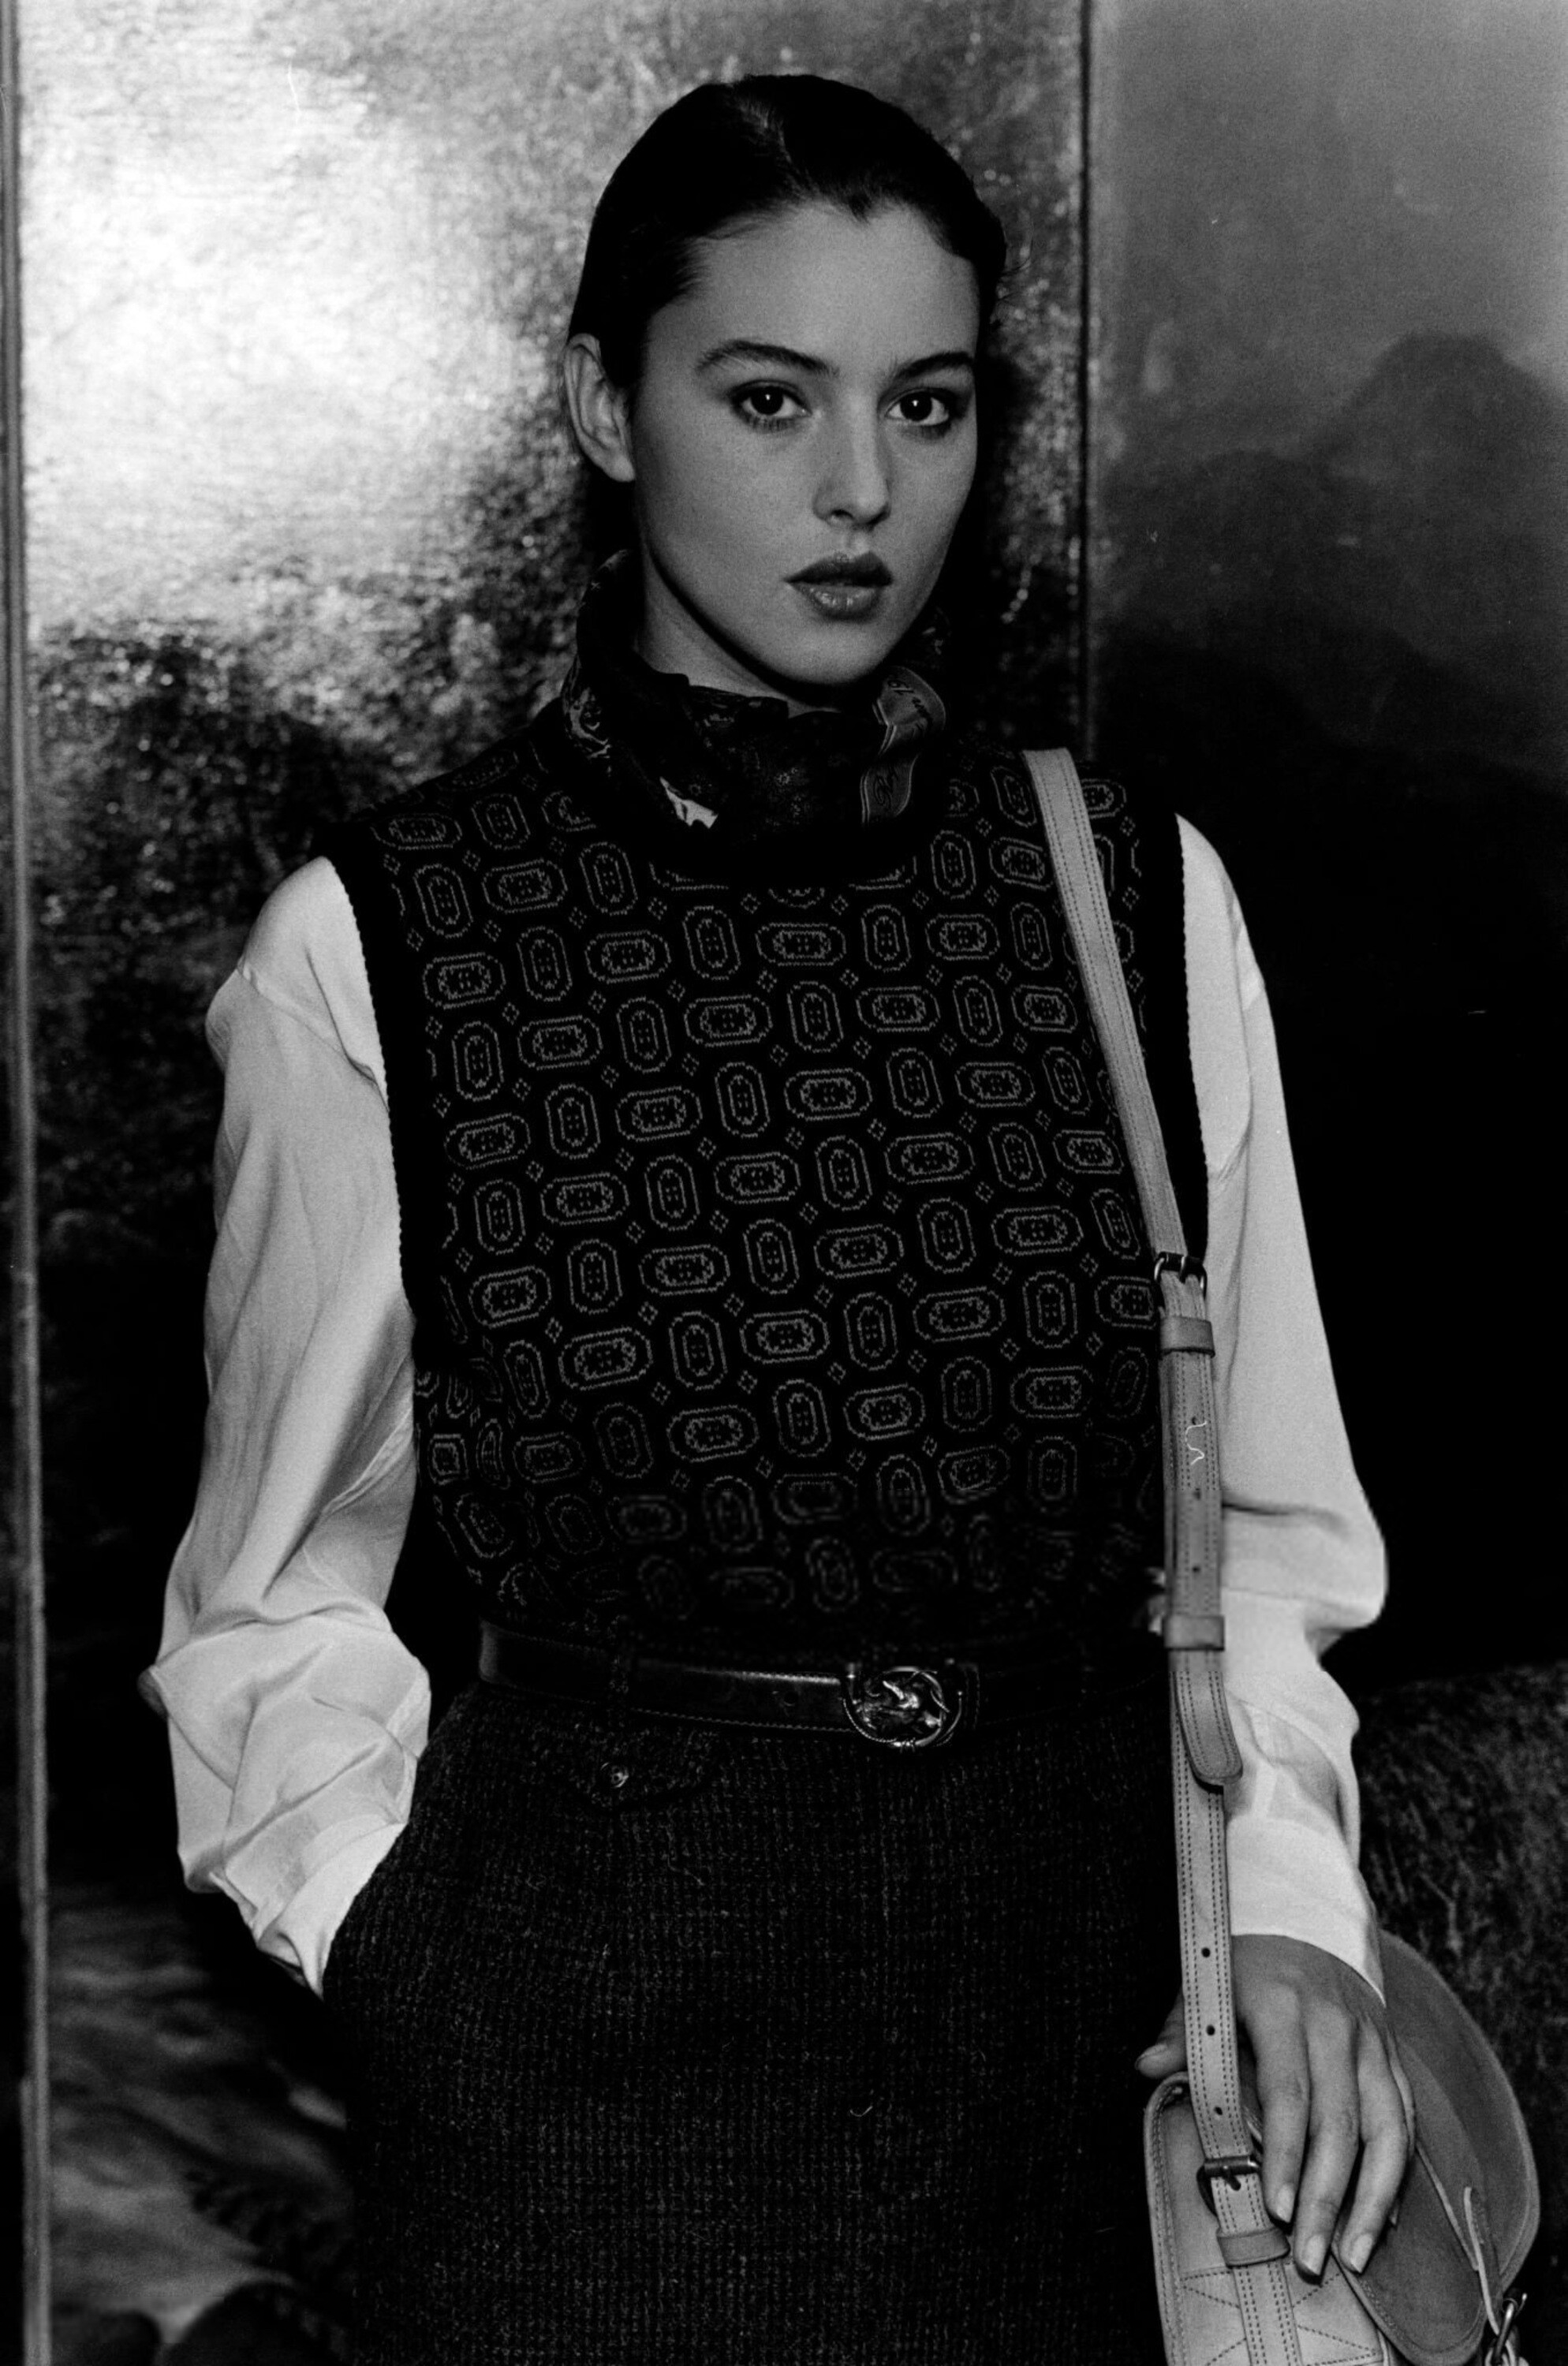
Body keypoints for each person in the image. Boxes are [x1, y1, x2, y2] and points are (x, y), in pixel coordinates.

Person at [145, 73, 1412, 2364]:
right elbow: (268, 1599)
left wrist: (1296, 1913)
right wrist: (416, 1953)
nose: (860, 491)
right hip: (583, 2116)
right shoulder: (384, 943)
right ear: (600, 408)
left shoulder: (1134, 897)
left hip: (1083, 2066)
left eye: (924, 404)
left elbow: (1265, 1531)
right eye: (767, 397)